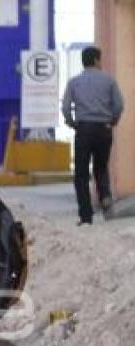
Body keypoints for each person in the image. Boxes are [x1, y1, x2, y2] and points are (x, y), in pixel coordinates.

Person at [62, 46, 124, 225]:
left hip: (84, 129)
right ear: (97, 60)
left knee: (81, 172)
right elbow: (119, 105)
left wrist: (72, 123)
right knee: (101, 167)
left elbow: (66, 108)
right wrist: (112, 121)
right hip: (103, 129)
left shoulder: (74, 82)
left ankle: (86, 216)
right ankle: (105, 198)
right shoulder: (109, 80)